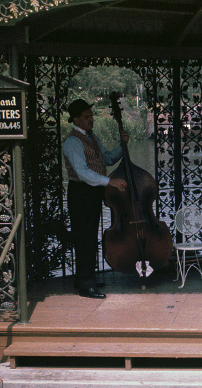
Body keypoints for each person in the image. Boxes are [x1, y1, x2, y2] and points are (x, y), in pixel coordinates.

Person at [62, 99, 129, 299]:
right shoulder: (73, 141)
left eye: (91, 116)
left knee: (89, 236)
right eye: (86, 117)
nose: (91, 120)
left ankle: (84, 278)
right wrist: (109, 181)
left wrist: (122, 145)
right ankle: (86, 284)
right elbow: (82, 172)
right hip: (81, 192)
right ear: (75, 119)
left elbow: (107, 158)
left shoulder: (91, 137)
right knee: (85, 238)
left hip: (92, 192)